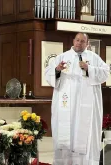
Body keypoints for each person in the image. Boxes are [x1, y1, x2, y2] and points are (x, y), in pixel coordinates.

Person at [45, 32, 109, 165]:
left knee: (85, 133)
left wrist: (89, 68)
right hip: (66, 104)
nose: (79, 43)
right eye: (77, 40)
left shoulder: (94, 57)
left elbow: (105, 72)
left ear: (87, 43)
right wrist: (57, 70)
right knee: (66, 131)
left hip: (87, 106)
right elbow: (49, 75)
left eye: (82, 41)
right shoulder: (62, 57)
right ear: (73, 41)